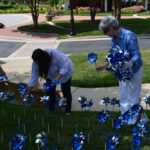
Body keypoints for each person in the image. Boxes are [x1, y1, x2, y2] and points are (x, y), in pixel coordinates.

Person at [97, 16, 143, 124]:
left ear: (111, 28)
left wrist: (129, 64)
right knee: (123, 94)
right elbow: (113, 54)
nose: (105, 34)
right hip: (121, 71)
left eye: (105, 31)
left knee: (133, 95)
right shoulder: (113, 38)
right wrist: (104, 65)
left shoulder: (129, 36)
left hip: (134, 69)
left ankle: (132, 120)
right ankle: (124, 116)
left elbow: (136, 55)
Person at [25, 48, 74, 114]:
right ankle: (51, 108)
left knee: (65, 91)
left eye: (38, 62)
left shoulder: (55, 55)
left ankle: (67, 110)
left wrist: (57, 79)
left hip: (66, 72)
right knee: (50, 91)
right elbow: (34, 75)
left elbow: (64, 67)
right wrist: (28, 90)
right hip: (51, 75)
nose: (37, 64)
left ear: (43, 59)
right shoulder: (36, 61)